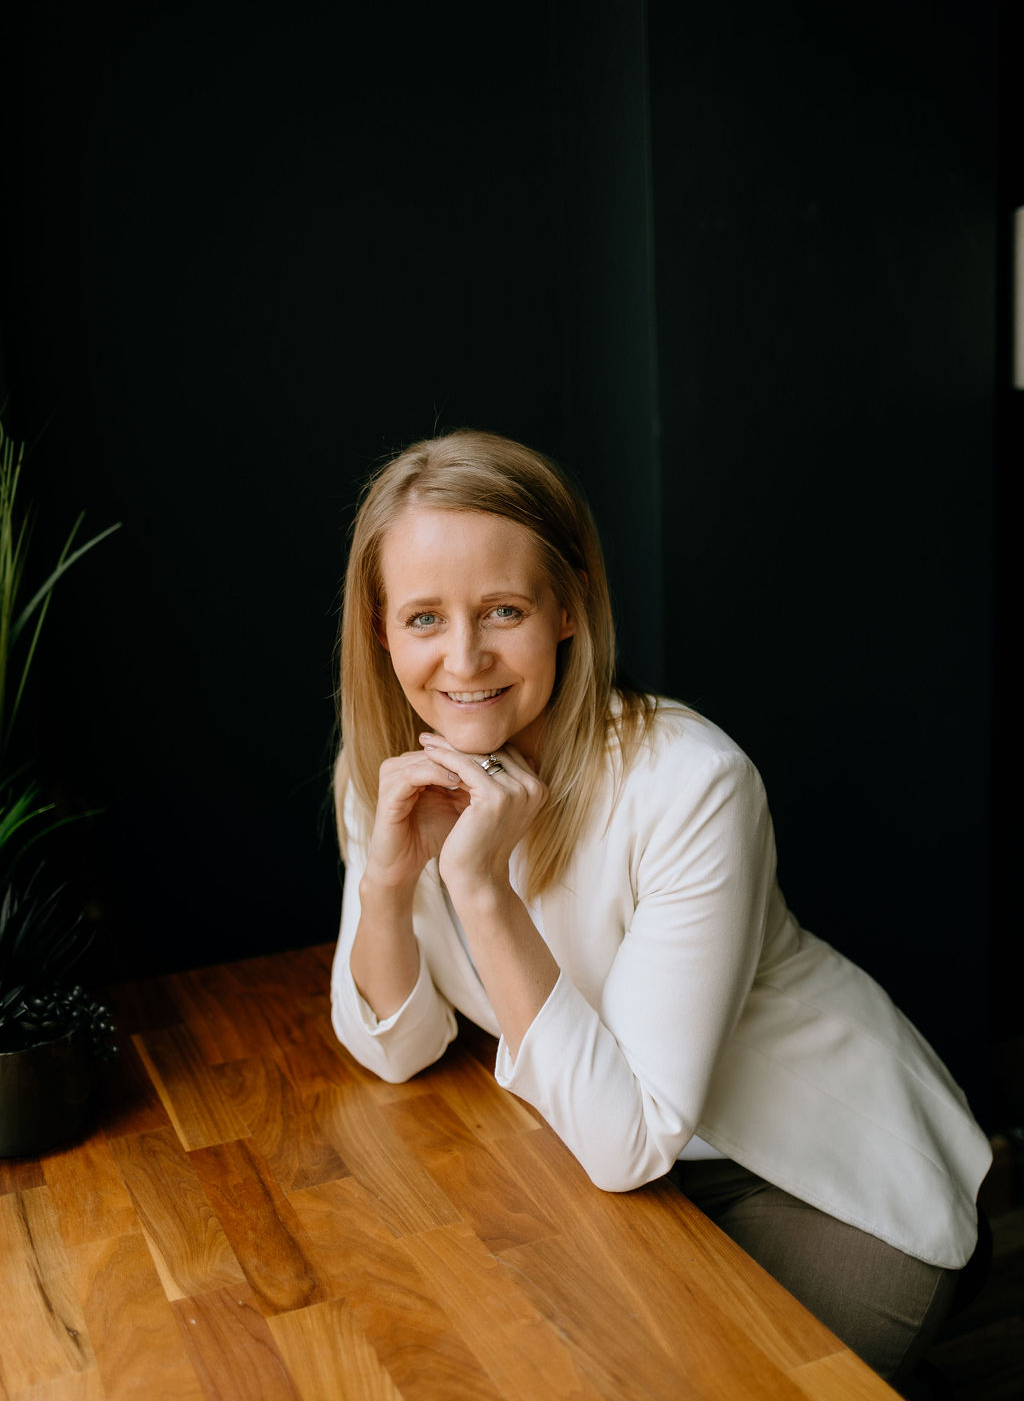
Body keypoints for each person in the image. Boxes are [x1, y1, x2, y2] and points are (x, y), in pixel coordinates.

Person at [330, 428, 991, 1386]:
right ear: (379, 629)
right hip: (620, 1160)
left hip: (816, 1180)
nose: (463, 658)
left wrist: (477, 885)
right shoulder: (391, 774)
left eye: (503, 608)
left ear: (569, 605)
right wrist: (390, 884)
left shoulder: (694, 782)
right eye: (424, 618)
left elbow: (629, 1140)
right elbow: (396, 1047)